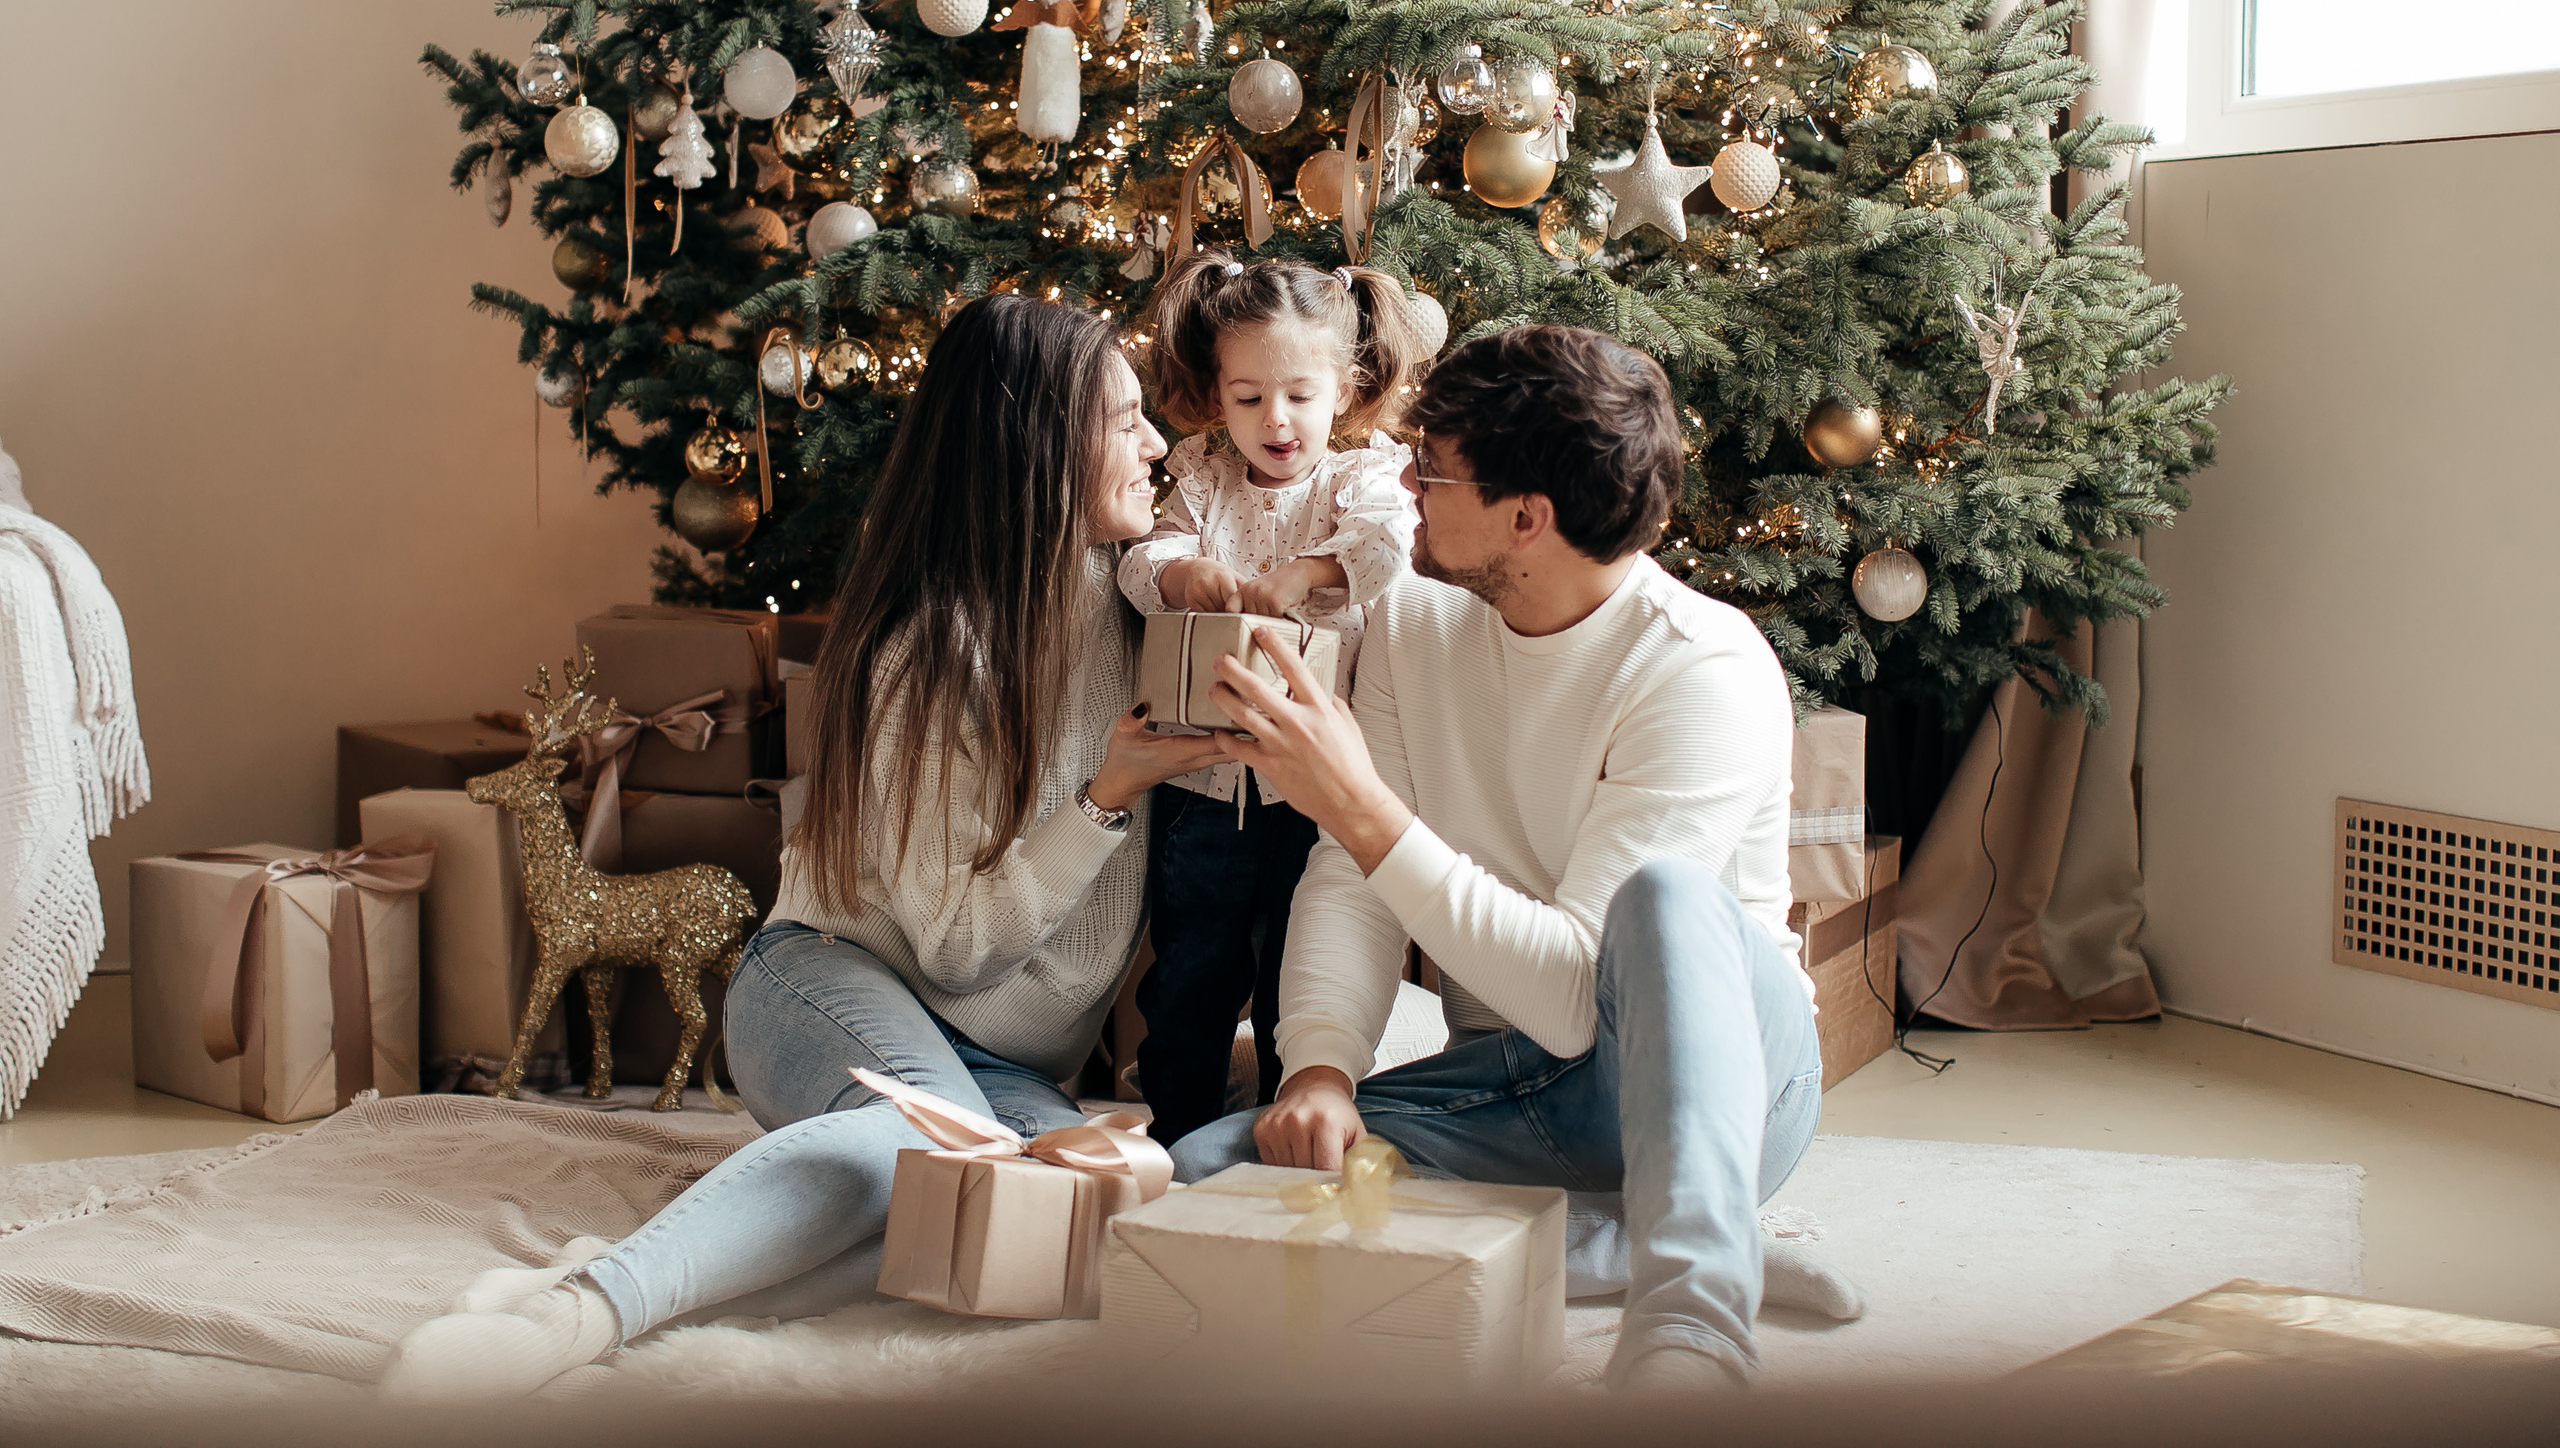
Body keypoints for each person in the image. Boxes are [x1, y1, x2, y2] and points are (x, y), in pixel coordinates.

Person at [382, 294, 1224, 1401]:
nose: (1158, 445)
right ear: (1041, 442)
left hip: (1005, 1065)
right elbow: (962, 951)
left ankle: (705, 1268)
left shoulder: (1146, 613)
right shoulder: (932, 649)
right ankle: (570, 1316)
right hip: (832, 978)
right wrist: (1108, 795)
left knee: (1074, 1215)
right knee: (912, 1157)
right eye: (1125, 421)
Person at [1169, 323, 1843, 1392]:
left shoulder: (1700, 668)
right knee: (1212, 1170)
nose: (1401, 481)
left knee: (1664, 900)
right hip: (1521, 1080)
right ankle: (1625, 1245)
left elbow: (1579, 995)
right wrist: (1320, 1069)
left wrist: (1362, 810)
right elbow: (1352, 882)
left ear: (1525, 519)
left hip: (1715, 1087)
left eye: (1430, 471)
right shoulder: (1414, 618)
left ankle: (1694, 1323)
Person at [1116, 250, 1427, 1144]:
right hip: (1205, 789)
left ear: (1345, 386)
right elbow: (1145, 561)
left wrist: (1307, 570)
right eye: (1248, 398)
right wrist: (1186, 577)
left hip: (1314, 796)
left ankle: (1295, 1119)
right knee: (1189, 976)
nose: (1275, 419)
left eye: (1298, 394)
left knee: (1301, 970)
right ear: (1218, 397)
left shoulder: (1359, 479)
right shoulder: (1205, 481)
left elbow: (1385, 548)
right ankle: (1178, 1131)